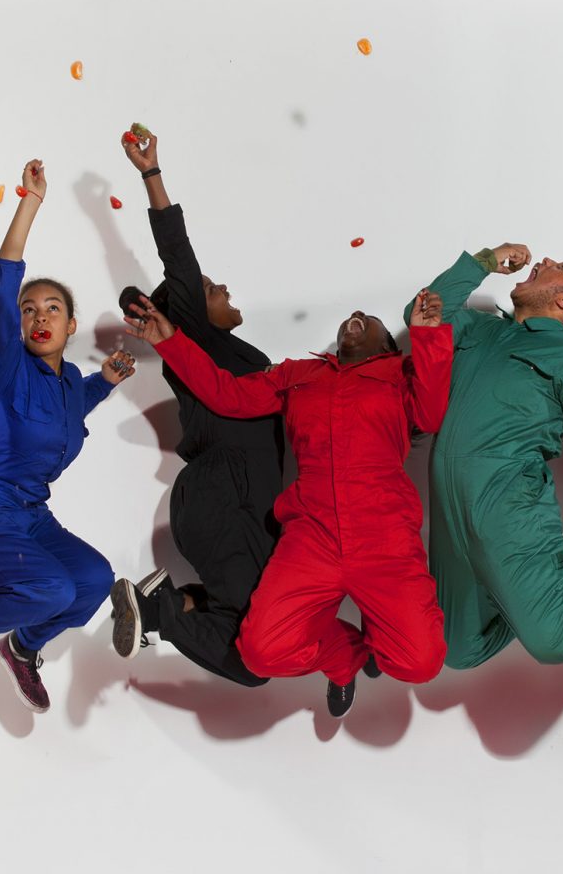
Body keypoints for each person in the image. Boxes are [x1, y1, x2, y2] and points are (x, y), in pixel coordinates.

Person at [124, 290, 451, 717]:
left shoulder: (400, 374)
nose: (355, 314)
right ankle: (345, 659)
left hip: (384, 538)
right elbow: (228, 395)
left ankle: (377, 632)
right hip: (310, 538)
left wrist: (428, 337)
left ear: (388, 346)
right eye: (353, 312)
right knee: (262, 652)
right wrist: (170, 341)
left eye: (369, 317)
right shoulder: (299, 374)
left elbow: (429, 413)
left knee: (422, 662)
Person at [0, 161, 134, 713]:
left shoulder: (67, 389)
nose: (39, 316)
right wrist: (30, 202)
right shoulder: (8, 365)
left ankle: (21, 648)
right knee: (51, 590)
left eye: (52, 309)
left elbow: (84, 398)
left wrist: (108, 378)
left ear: (69, 325)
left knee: (92, 580)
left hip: (31, 521)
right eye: (29, 309)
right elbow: (2, 283)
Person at [408, 244, 563, 674]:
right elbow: (423, 312)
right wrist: (486, 261)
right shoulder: (480, 330)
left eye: (560, 268)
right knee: (456, 650)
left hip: (509, 504)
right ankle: (535, 579)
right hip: (450, 514)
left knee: (554, 639)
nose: (544, 261)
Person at [108, 127, 284, 688]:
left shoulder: (228, 351)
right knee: (258, 660)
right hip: (221, 496)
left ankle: (173, 605)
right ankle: (161, 610)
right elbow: (179, 259)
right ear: (189, 314)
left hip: (238, 508)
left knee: (259, 643)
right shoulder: (197, 340)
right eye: (211, 289)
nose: (223, 287)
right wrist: (151, 174)